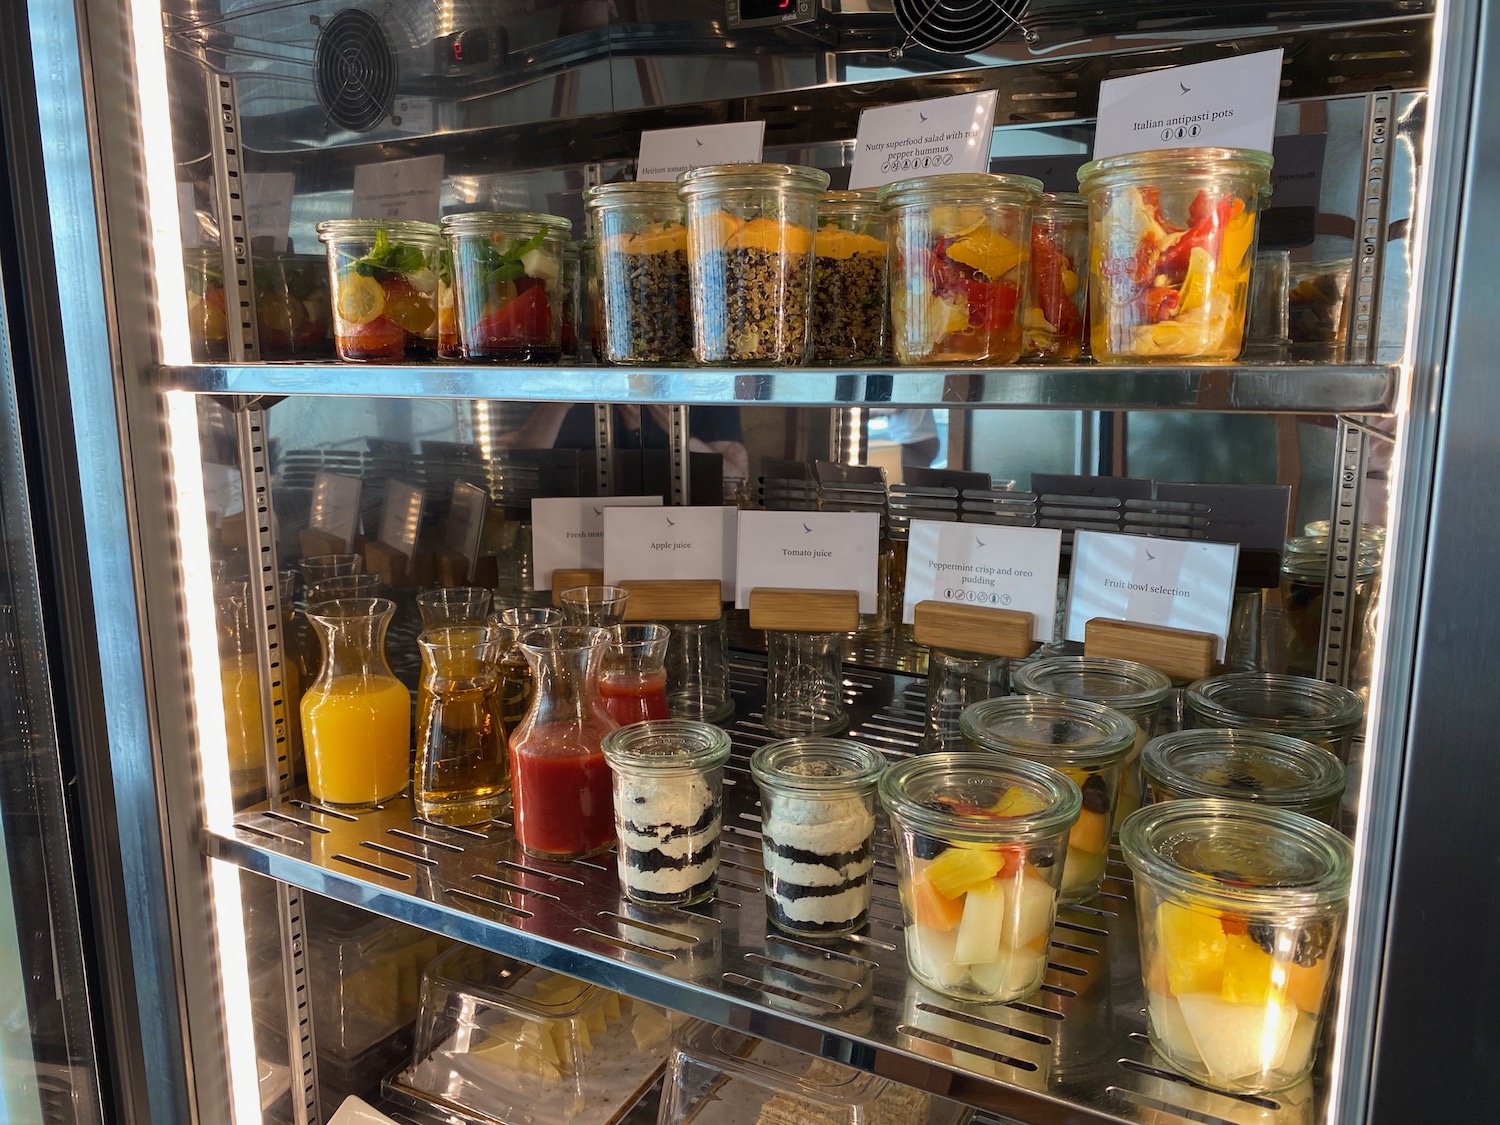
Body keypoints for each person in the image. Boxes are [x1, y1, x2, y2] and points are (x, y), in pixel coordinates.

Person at [502, 402, 749, 482]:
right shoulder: (556, 378)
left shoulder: (700, 383)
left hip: (678, 538)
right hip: (567, 534)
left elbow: (735, 482)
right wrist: (563, 396)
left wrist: (678, 433)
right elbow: (517, 476)